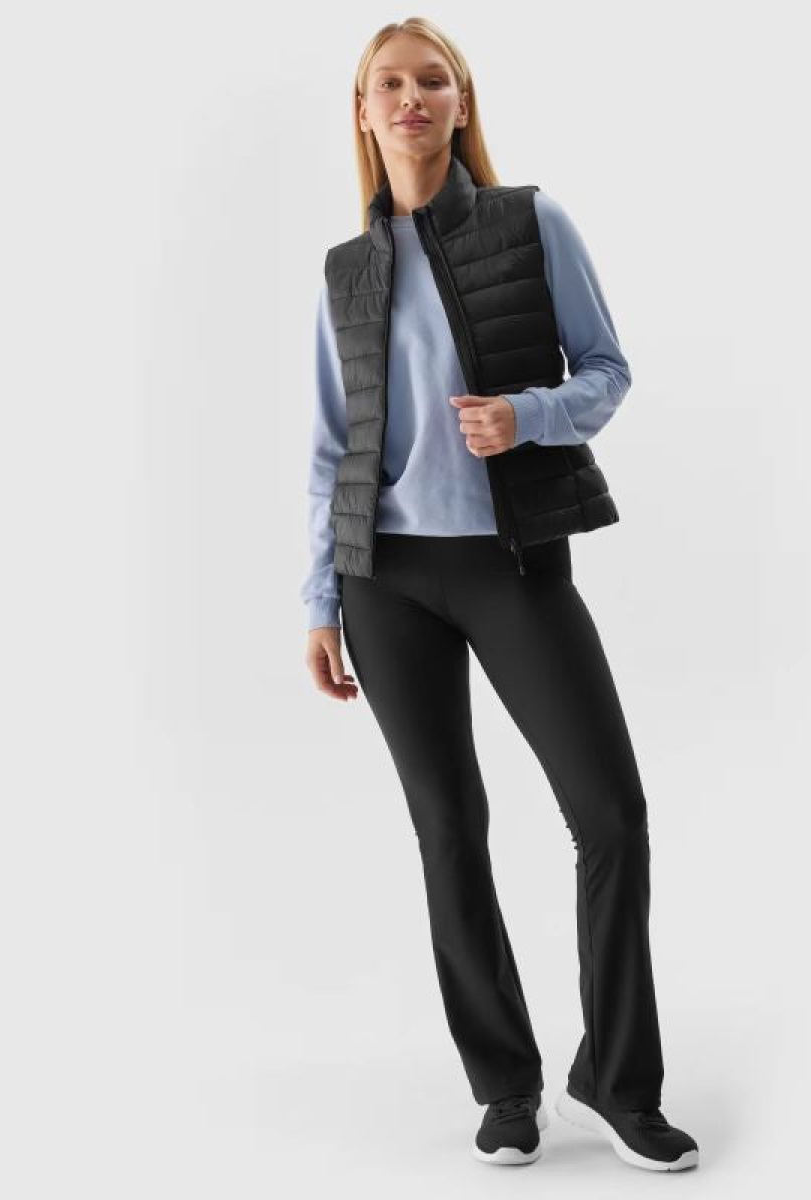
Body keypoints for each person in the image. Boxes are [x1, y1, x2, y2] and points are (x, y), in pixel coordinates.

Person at [300, 17, 699, 1173]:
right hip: (386, 580)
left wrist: (527, 417)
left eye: (434, 80)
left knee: (610, 816)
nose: (412, 98)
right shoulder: (345, 271)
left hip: (510, 561)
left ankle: (616, 1079)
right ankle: (505, 1086)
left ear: (461, 104)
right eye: (389, 83)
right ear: (364, 113)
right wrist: (320, 601)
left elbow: (608, 371)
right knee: (448, 829)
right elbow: (330, 449)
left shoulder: (530, 223)